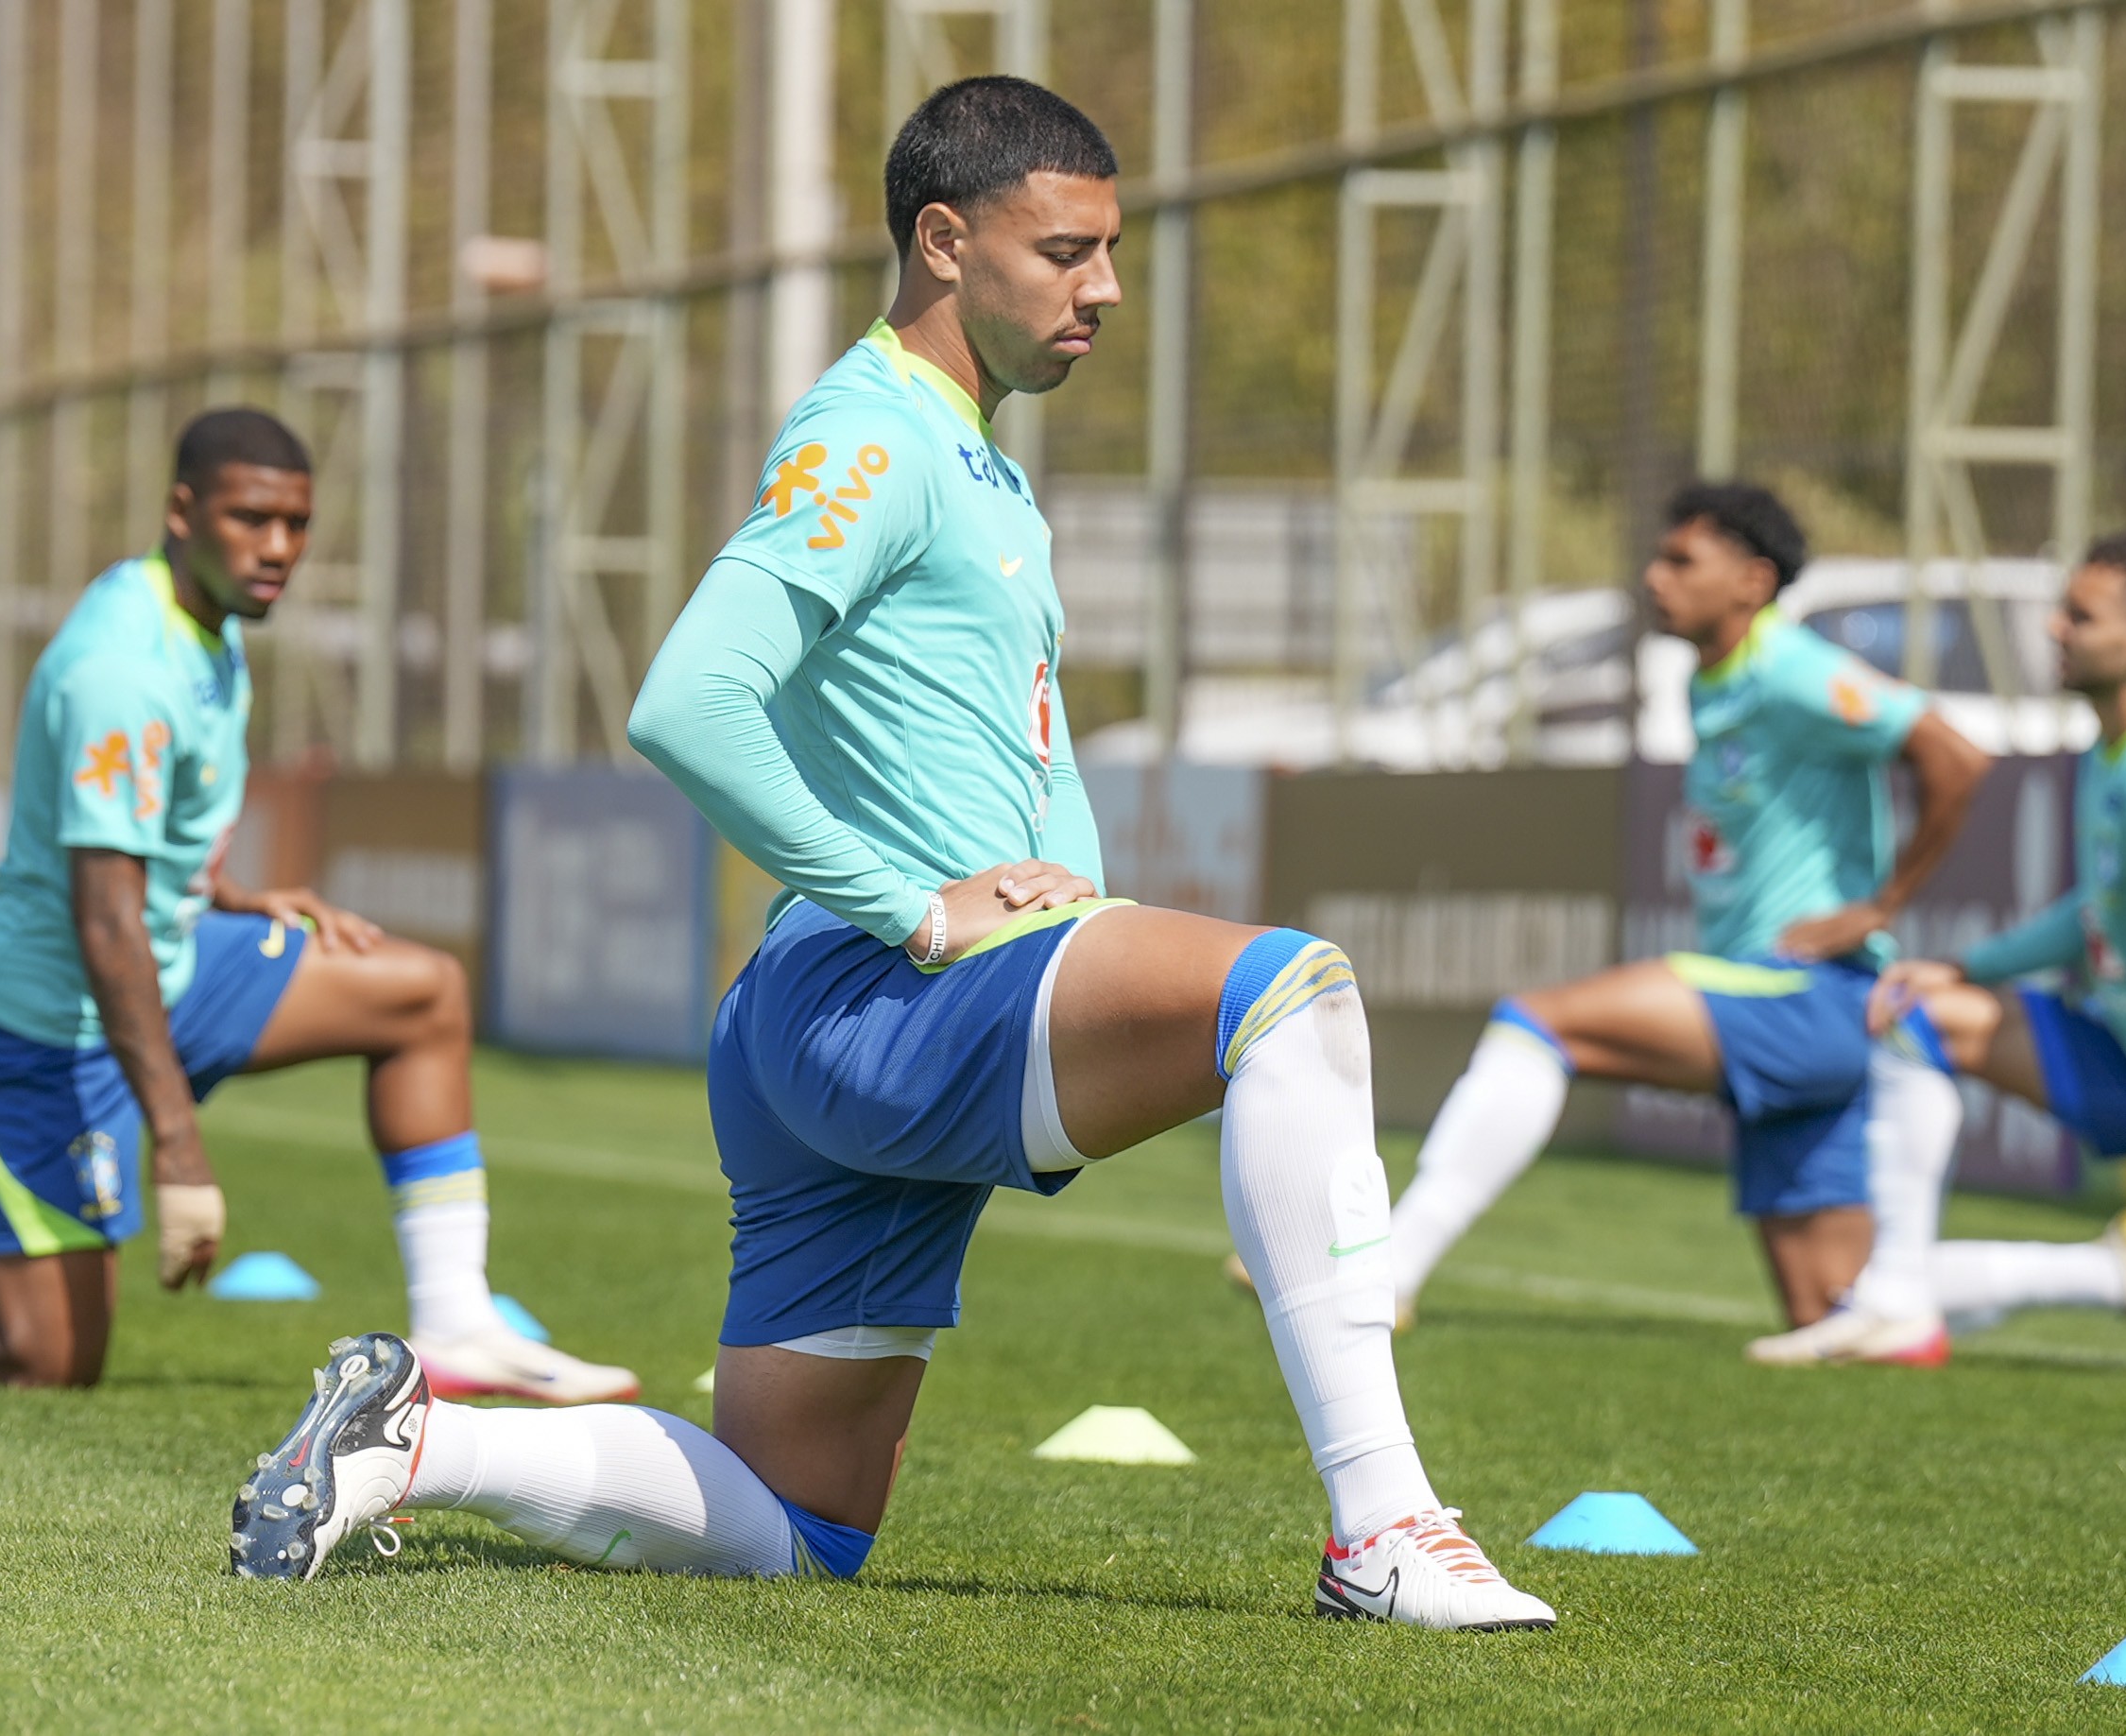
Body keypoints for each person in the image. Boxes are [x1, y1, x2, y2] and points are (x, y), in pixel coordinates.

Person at [228, 77, 1554, 1632]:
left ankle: (410, 1447)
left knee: (797, 1528)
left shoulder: (971, 449)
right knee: (1287, 995)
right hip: (889, 997)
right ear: (944, 239)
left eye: (1110, 251)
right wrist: (916, 909)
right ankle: (1383, 1526)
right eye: (1066, 251)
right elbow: (689, 699)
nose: (1106, 289)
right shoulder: (874, 435)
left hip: (829, 1025)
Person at [0, 408, 634, 1402]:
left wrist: (226, 893)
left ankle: (457, 1322)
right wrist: (180, 1147)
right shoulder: (123, 668)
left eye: (296, 523)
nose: (278, 547)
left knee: (418, 993)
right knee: (44, 1363)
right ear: (183, 511)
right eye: (251, 520)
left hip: (168, 962)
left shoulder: (202, 618)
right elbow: (102, 923)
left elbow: (136, 854)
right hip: (33, 1030)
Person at [1374, 483, 1990, 1365]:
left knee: (1539, 1021)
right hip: (1776, 1003)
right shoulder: (1716, 677)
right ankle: (2112, 1279)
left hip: (1802, 994)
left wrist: (1881, 906)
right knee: (1843, 1314)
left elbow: (1956, 757)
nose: (1653, 578)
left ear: (1752, 581)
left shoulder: (1790, 665)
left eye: (1681, 561)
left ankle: (1393, 1264)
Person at [1867, 533, 2126, 1325]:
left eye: (2078, 616)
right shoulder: (2114, 748)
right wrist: (1965, 968)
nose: (2054, 629)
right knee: (1917, 1015)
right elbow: (2097, 908)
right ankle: (1889, 1300)